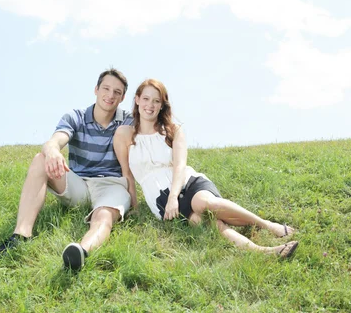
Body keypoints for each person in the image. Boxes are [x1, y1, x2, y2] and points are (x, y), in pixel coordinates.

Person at [113, 79, 299, 258]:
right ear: (137, 100)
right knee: (204, 222)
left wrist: (174, 198)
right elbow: (127, 174)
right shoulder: (124, 134)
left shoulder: (173, 130)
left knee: (205, 204)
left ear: (162, 105)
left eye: (156, 101)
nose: (150, 105)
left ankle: (266, 225)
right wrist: (135, 207)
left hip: (187, 181)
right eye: (145, 99)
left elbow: (180, 165)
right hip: (159, 196)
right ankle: (262, 252)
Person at [0, 68, 137, 271]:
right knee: (40, 158)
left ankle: (81, 251)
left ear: (123, 97)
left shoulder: (128, 121)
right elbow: (54, 141)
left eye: (117, 91)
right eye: (106, 88)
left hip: (111, 186)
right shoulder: (76, 117)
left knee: (104, 216)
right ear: (96, 89)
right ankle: (21, 235)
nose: (110, 95)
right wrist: (53, 150)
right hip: (79, 185)